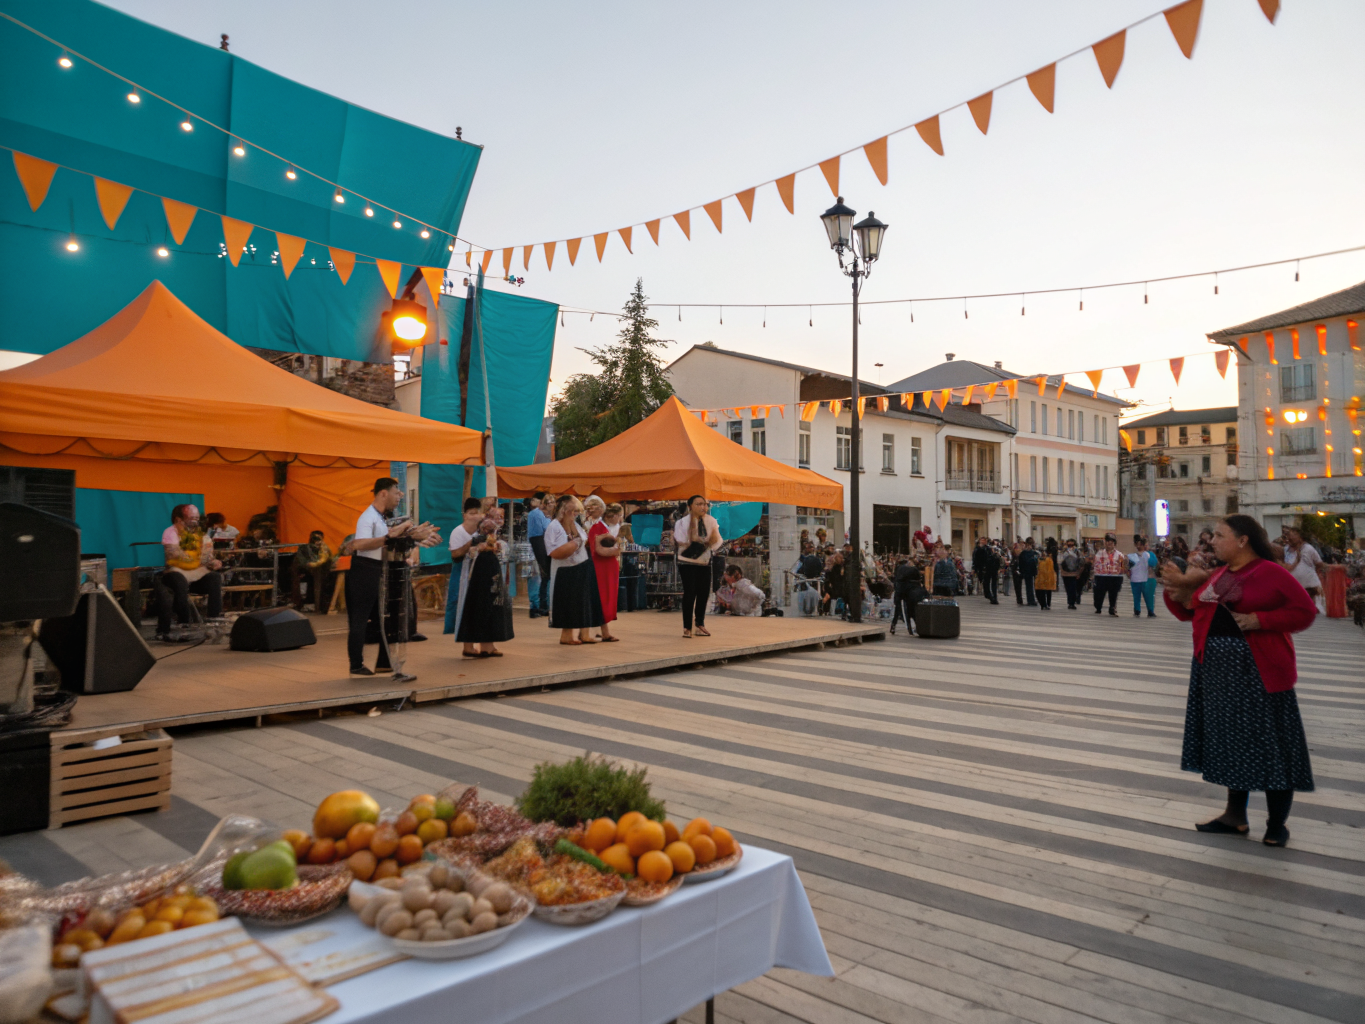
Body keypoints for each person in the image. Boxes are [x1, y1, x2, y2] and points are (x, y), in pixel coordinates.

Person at [1162, 515, 1317, 848]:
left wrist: (1261, 619)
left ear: (1243, 540)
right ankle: (1235, 816)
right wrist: (1176, 591)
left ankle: (1277, 824)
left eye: (1220, 535)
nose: (1212, 541)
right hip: (1218, 675)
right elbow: (1193, 612)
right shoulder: (1219, 574)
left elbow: (1305, 612)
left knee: (1273, 747)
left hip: (1261, 674)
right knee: (1231, 745)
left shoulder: (1270, 572)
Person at [344, 478, 438, 675]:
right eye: (396, 493)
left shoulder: (381, 517)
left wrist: (416, 536)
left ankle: (385, 662)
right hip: (364, 569)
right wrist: (389, 537)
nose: (399, 497)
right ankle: (356, 664)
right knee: (360, 619)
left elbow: (392, 540)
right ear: (383, 493)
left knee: (384, 619)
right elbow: (359, 544)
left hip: (381, 569)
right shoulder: (367, 517)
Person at [154, 504, 224, 642]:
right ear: (179, 519)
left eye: (197, 518)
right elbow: (174, 555)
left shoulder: (200, 535)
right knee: (178, 580)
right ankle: (184, 622)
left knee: (215, 578)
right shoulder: (170, 532)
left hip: (195, 575)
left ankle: (214, 619)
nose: (195, 522)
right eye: (192, 518)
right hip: (175, 574)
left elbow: (207, 558)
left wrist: (213, 562)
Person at [545, 495, 604, 645]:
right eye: (573, 511)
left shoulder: (575, 525)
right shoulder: (554, 526)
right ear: (565, 510)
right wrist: (576, 543)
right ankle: (567, 635)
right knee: (568, 603)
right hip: (565, 569)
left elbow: (582, 541)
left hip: (580, 566)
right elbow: (555, 552)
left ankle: (584, 633)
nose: (576, 514)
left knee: (582, 602)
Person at [453, 515, 513, 657]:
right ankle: (468, 646)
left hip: (490, 578)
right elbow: (463, 554)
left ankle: (488, 646)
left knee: (490, 609)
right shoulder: (471, 537)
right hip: (475, 579)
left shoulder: (494, 539)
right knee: (474, 608)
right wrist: (478, 547)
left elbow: (503, 554)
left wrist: (497, 547)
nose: (491, 530)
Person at [674, 495, 722, 637]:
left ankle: (700, 624)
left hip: (704, 561)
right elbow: (682, 540)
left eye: (705, 504)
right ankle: (687, 626)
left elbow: (717, 540)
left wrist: (707, 543)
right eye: (699, 504)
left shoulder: (711, 521)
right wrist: (696, 535)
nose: (703, 507)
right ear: (690, 506)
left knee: (703, 592)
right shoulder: (682, 522)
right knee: (690, 592)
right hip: (687, 561)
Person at [443, 499, 484, 636]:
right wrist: (471, 543)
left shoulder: (482, 532)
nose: (474, 516)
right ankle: (450, 629)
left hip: (477, 569)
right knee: (454, 599)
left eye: (477, 513)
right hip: (460, 568)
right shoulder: (458, 532)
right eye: (471, 513)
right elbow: (455, 554)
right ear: (464, 515)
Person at [584, 496, 620, 642]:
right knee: (601, 597)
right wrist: (616, 550)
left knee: (600, 598)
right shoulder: (595, 526)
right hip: (600, 566)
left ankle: (603, 631)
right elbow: (597, 549)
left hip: (602, 566)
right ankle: (601, 631)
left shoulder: (595, 525)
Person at [291, 530, 334, 611]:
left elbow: (328, 559)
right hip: (304, 569)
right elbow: (302, 562)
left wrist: (321, 548)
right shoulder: (304, 548)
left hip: (320, 570)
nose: (316, 540)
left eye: (318, 538)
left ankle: (322, 605)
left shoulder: (324, 548)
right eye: (314, 538)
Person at [526, 492, 552, 619]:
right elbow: (544, 530)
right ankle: (537, 606)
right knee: (538, 577)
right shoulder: (536, 513)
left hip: (541, 547)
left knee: (542, 577)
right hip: (537, 547)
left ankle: (541, 606)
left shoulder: (544, 515)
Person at [1283, 527, 1323, 605]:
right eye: (1289, 536)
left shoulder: (1309, 548)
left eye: (1294, 535)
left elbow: (1319, 563)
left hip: (1309, 587)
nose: (1290, 538)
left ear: (1300, 537)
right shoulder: (1286, 550)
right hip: (1293, 587)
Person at [890, 556, 926, 635]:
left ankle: (893, 626)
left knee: (898, 610)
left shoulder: (899, 569)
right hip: (908, 592)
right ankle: (912, 627)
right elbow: (918, 580)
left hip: (899, 590)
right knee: (910, 610)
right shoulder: (914, 570)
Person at [1092, 533, 1126, 616]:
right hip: (1101, 577)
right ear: (1105, 543)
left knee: (1113, 593)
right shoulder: (1099, 553)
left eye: (1111, 542)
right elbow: (1095, 564)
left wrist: (1120, 571)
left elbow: (1122, 566)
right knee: (1099, 594)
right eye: (1108, 542)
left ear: (1114, 544)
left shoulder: (1119, 555)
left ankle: (1112, 608)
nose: (1109, 544)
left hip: (1115, 577)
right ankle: (1098, 607)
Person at [1128, 535, 1158, 617]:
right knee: (1136, 595)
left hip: (1147, 579)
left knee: (1149, 596)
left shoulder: (1149, 554)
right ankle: (1137, 609)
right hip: (1135, 579)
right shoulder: (1132, 556)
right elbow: (1129, 567)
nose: (1140, 545)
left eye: (1141, 544)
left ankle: (1150, 610)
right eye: (1137, 543)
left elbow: (1153, 563)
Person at [792, 541, 823, 616]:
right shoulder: (801, 559)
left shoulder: (816, 558)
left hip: (813, 581)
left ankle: (815, 610)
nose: (811, 549)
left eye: (812, 547)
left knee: (815, 596)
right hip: (803, 581)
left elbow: (820, 569)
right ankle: (804, 611)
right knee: (804, 597)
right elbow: (797, 570)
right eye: (809, 547)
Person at [971, 538, 999, 605]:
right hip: (983, 569)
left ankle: (994, 598)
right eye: (982, 541)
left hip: (992, 568)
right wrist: (974, 568)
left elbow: (995, 557)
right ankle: (990, 596)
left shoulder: (989, 549)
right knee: (985, 584)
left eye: (984, 541)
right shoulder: (977, 549)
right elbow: (975, 560)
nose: (983, 542)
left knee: (993, 584)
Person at [1059, 539, 1083, 610]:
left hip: (1074, 573)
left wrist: (1079, 573)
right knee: (1068, 588)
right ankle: (1070, 602)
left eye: (1072, 545)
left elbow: (1081, 562)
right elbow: (1060, 561)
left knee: (1073, 588)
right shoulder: (1064, 552)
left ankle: (1072, 602)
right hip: (1065, 573)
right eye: (1069, 545)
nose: (1070, 547)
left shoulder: (1078, 552)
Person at [1016, 538, 1039, 606]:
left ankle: (1031, 600)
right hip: (1030, 571)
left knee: (1029, 586)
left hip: (1028, 571)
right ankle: (1031, 600)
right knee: (1031, 586)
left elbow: (1020, 563)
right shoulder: (1033, 553)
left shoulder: (1024, 553)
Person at [1035, 540, 1057, 610]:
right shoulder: (1050, 558)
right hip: (1047, 577)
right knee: (1047, 591)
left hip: (1042, 577)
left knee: (1043, 591)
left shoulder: (1042, 559)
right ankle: (1046, 604)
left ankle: (1044, 604)